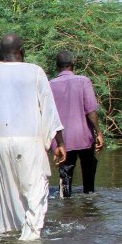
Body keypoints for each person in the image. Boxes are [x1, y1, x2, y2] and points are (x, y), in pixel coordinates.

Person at [0, 33, 66, 240]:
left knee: (10, 197)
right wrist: (59, 142)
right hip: (29, 140)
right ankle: (30, 241)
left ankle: (13, 239)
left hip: (0, 143)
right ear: (22, 51)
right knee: (35, 192)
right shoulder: (35, 72)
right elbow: (48, 109)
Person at [49, 50, 104, 197]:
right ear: (73, 65)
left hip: (61, 140)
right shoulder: (83, 81)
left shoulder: (49, 85)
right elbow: (91, 111)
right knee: (89, 178)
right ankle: (89, 205)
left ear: (57, 66)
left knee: (65, 181)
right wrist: (98, 132)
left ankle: (65, 208)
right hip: (84, 137)